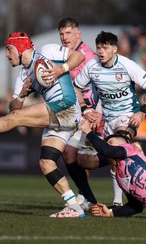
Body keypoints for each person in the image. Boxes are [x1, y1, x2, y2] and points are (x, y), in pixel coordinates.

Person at [0, 31, 87, 218]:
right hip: (58, 117)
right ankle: (75, 207)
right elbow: (14, 108)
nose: (7, 55)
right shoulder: (23, 76)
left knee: (18, 118)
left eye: (9, 50)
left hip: (66, 107)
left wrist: (60, 69)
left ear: (20, 47)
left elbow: (78, 56)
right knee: (46, 163)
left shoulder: (47, 51)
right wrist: (23, 95)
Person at [74, 31, 146, 206]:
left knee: (115, 147)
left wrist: (142, 112)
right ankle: (133, 154)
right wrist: (86, 109)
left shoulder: (127, 65)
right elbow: (76, 88)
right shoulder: (92, 66)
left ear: (114, 49)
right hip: (107, 118)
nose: (101, 51)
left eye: (105, 48)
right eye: (98, 48)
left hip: (127, 116)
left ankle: (117, 202)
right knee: (84, 161)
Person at [58, 17, 100, 209]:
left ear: (78, 34)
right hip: (76, 112)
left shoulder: (89, 56)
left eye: (68, 33)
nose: (64, 37)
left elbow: (101, 85)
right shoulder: (64, 54)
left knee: (88, 159)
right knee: (69, 155)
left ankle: (125, 152)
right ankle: (87, 198)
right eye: (61, 34)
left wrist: (97, 112)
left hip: (92, 113)